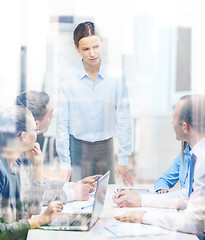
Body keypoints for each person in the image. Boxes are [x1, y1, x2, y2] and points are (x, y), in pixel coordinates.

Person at [114, 94, 205, 235]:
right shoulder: (197, 154)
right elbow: (187, 197)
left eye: (174, 119)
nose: (172, 123)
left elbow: (194, 223)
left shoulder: (202, 159)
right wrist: (139, 200)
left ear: (185, 126)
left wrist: (144, 216)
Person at [56, 21, 133, 185]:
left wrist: (124, 158)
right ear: (77, 48)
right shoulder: (68, 78)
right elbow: (62, 122)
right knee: (76, 201)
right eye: (85, 49)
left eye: (96, 47)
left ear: (102, 43)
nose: (92, 53)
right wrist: (64, 162)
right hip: (77, 148)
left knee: (105, 202)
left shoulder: (116, 77)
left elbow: (124, 119)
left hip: (105, 148)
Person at [16, 90, 101, 203]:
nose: (53, 116)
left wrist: (71, 186)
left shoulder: (23, 144)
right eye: (50, 113)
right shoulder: (14, 152)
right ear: (36, 123)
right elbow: (28, 195)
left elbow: (37, 184)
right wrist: (72, 193)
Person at [0, 105, 63, 240]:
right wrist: (40, 220)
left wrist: (37, 167)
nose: (37, 134)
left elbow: (31, 211)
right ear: (23, 136)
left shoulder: (14, 164)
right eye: (35, 130)